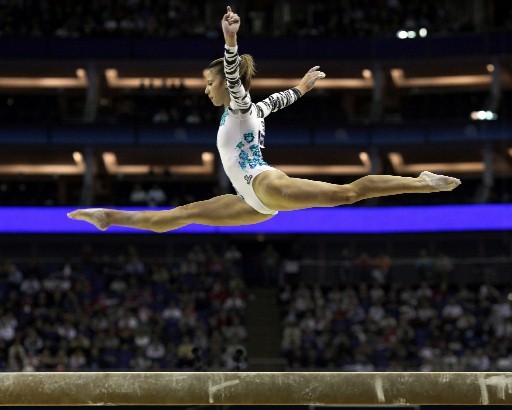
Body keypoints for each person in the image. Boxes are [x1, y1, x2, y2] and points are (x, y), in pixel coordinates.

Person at [67, 6, 461, 233]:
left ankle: (421, 182)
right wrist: (303, 89)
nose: (206, 89)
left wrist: (230, 42)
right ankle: (108, 216)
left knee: (347, 193)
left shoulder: (239, 105)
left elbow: (239, 80)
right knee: (180, 216)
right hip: (252, 201)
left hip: (263, 183)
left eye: (210, 82)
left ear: (224, 82)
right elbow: (278, 100)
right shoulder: (251, 111)